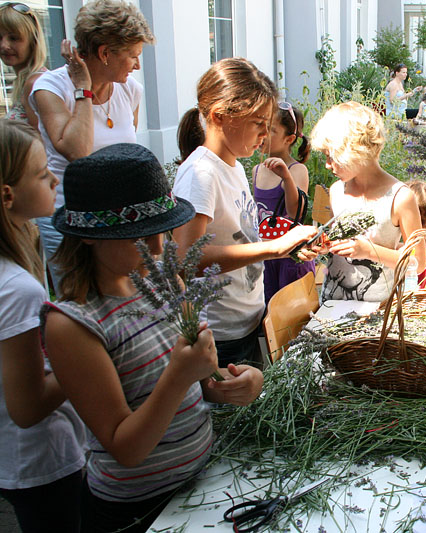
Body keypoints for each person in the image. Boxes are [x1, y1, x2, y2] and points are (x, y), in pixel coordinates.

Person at [41, 143, 265, 533]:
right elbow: (126, 447)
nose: (159, 248)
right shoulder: (73, 324)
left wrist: (231, 383)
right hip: (136, 512)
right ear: (89, 237)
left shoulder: (163, 281)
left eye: (162, 230)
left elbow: (196, 388)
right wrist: (179, 376)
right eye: (140, 237)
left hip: (197, 487)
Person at [172, 58, 318, 369]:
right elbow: (186, 259)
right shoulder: (200, 175)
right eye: (257, 123)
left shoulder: (235, 166)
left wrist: (290, 244)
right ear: (220, 116)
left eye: (268, 125)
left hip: (249, 319)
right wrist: (273, 248)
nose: (265, 135)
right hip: (220, 334)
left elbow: (239, 234)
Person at [30, 0, 155, 296]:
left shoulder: (130, 89)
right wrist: (83, 90)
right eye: (133, 56)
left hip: (119, 223)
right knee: (82, 302)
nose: (137, 65)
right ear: (104, 53)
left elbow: (125, 157)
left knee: (122, 301)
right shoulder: (50, 89)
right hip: (69, 223)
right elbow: (78, 151)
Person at [0, 120, 85, 533]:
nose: (55, 179)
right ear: (7, 195)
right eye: (41, 173)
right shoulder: (16, 290)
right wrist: (88, 356)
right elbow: (28, 407)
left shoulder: (21, 253)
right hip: (41, 461)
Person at [310, 101, 423, 302]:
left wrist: (369, 251)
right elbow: (336, 243)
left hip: (377, 310)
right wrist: (323, 246)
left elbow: (419, 262)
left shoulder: (400, 197)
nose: (327, 165)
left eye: (332, 156)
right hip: (331, 305)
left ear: (355, 151)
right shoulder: (337, 190)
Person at [252, 102, 315, 308]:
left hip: (290, 259)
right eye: (261, 125)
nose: (262, 133)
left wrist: (286, 177)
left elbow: (295, 211)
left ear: (289, 139)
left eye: (271, 130)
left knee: (291, 314)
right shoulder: (256, 170)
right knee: (268, 312)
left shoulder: (297, 171)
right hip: (265, 256)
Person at [0, 2, 46, 128]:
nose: (4, 45)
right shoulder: (23, 81)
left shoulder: (35, 83)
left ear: (32, 41)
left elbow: (39, 142)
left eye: (13, 38)